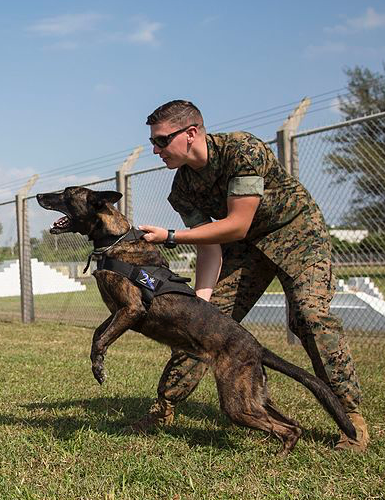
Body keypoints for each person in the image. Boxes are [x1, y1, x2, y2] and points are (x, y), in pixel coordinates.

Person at [136, 99, 368, 452]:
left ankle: (351, 421)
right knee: (201, 323)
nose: (155, 149)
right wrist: (202, 302)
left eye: (162, 140)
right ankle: (165, 406)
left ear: (191, 133)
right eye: (154, 141)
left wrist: (170, 236)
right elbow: (211, 244)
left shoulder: (241, 150)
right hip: (245, 252)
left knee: (309, 316)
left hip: (297, 234)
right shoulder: (181, 189)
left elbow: (238, 224)